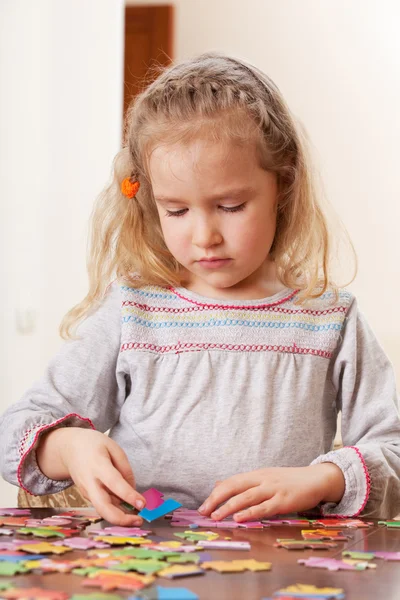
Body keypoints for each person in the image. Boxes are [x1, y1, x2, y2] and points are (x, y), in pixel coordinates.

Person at [1, 52, 399, 526]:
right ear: (148, 199)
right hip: (144, 566)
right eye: (176, 210)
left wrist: (323, 479)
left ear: (284, 184)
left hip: (284, 572)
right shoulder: (133, 310)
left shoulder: (330, 318)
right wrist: (67, 445)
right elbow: (16, 432)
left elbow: (391, 451)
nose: (204, 235)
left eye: (230, 206)